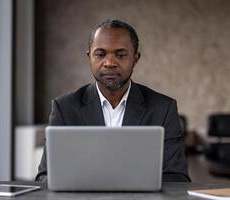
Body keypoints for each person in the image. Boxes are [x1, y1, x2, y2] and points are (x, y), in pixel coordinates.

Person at [36, 19, 190, 182]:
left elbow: (177, 178)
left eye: (121, 55)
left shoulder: (163, 108)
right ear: (89, 57)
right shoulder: (64, 108)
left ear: (135, 59)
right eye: (100, 54)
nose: (109, 63)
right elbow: (44, 177)